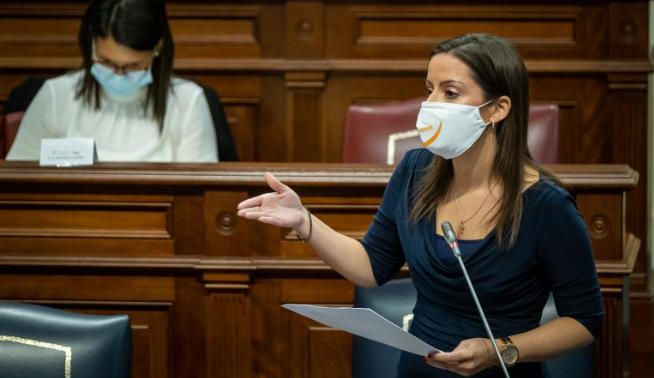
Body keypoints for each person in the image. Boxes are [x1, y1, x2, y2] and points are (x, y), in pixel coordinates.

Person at [237, 33, 602, 377]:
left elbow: (584, 322)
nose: (431, 105)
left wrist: (499, 350)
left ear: (498, 109)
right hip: (419, 370)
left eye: (451, 92)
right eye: (430, 89)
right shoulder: (415, 170)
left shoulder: (547, 206)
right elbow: (371, 267)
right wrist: (305, 222)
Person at [6, 0, 217, 162]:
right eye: (106, 62)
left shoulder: (188, 100)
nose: (118, 75)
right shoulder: (55, 94)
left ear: (157, 48)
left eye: (132, 66)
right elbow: (20, 178)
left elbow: (199, 194)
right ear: (92, 46)